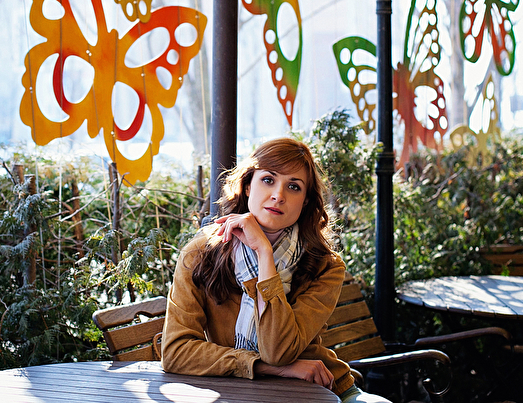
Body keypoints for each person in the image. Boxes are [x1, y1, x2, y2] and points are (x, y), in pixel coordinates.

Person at [161, 137, 389, 403]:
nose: (279, 195)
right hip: (237, 392)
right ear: (248, 186)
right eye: (268, 179)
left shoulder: (325, 266)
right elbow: (175, 352)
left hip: (321, 390)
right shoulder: (201, 253)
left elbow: (278, 351)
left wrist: (264, 254)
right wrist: (263, 367)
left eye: (293, 187)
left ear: (305, 201)